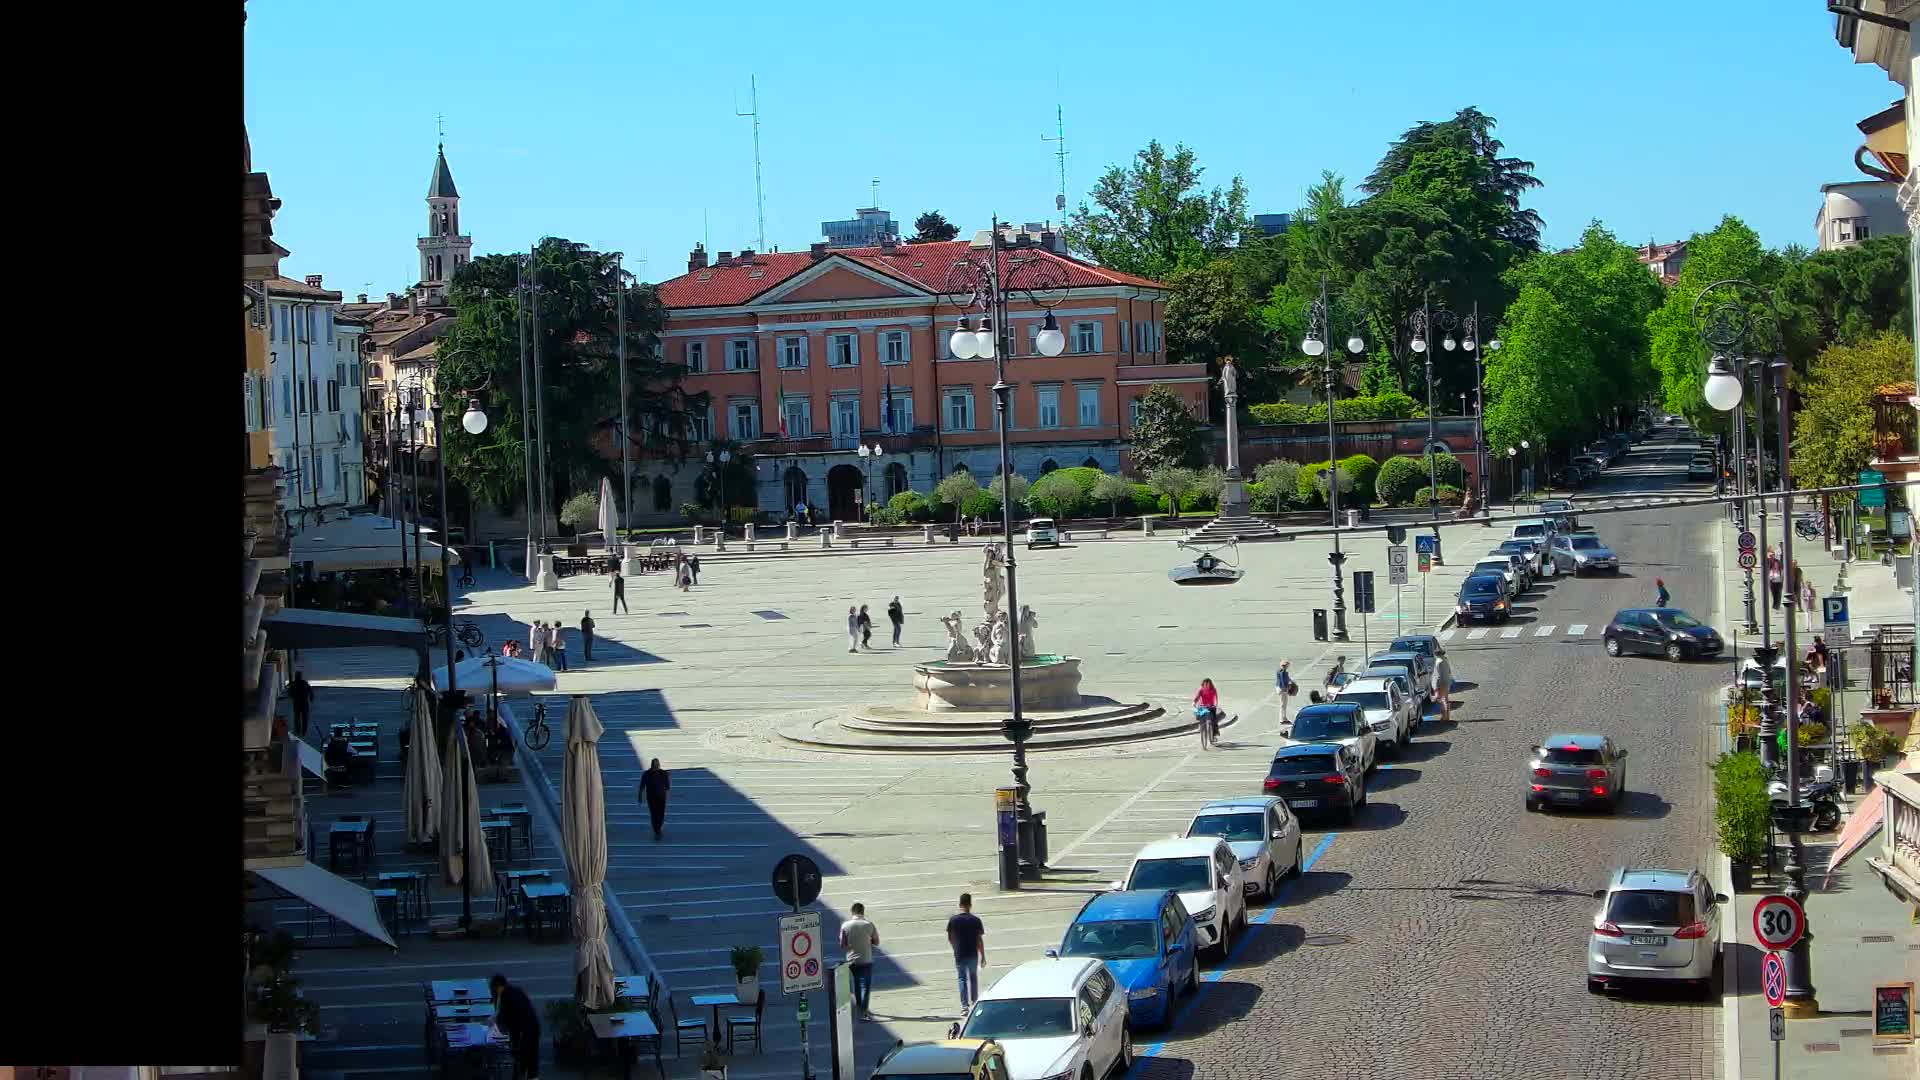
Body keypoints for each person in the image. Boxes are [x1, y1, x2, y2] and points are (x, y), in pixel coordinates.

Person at [489, 973, 542, 1080]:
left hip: (523, 1032)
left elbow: (504, 1018)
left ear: (497, 987)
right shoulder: (517, 990)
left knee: (520, 1063)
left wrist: (494, 1022)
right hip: (534, 1027)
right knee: (532, 1061)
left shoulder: (505, 995)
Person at [840, 902, 880, 1021]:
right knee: (865, 987)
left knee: (857, 983)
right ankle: (864, 1013)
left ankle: (859, 1006)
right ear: (863, 912)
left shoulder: (845, 926)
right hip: (866, 960)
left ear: (852, 912)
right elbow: (877, 941)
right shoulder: (869, 925)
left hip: (852, 961)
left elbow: (842, 944)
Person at [946, 893, 986, 1013]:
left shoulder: (953, 920)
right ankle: (974, 1002)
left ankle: (964, 1006)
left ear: (960, 905)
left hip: (959, 953)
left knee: (962, 979)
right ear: (970, 905)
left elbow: (950, 938)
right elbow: (979, 940)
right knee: (973, 978)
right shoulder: (976, 920)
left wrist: (955, 949)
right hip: (973, 953)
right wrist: (983, 956)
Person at [639, 758, 670, 840]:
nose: (656, 766)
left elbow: (667, 786)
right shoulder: (647, 774)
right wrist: (640, 796)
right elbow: (642, 786)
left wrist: (640, 796)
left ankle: (657, 828)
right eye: (655, 765)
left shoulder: (663, 773)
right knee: (654, 814)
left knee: (659, 814)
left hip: (660, 797)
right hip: (653, 797)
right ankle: (657, 830)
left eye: (656, 765)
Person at [1194, 678, 1221, 751]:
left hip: (1211, 707)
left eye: (1208, 684)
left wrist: (1215, 705)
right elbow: (1197, 698)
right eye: (1205, 684)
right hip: (1203, 707)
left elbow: (1216, 699)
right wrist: (1194, 702)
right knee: (1199, 715)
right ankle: (1200, 725)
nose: (1207, 685)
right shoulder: (1201, 690)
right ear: (1203, 684)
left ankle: (1214, 732)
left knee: (1214, 720)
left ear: (1210, 684)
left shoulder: (1213, 690)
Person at [288, 672, 315, 738]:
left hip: (297, 703)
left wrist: (293, 697)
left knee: (297, 717)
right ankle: (303, 731)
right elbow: (310, 691)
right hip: (304, 703)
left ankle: (298, 730)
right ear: (301, 676)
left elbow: (290, 693)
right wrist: (311, 698)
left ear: (295, 676)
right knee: (304, 717)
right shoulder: (304, 683)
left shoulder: (293, 683)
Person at [1275, 660, 1296, 728]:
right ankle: (1282, 719)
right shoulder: (1282, 671)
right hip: (1282, 689)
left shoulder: (1283, 671)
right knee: (1283, 704)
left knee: (1284, 704)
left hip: (1281, 688)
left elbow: (1287, 678)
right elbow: (1282, 680)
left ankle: (1284, 718)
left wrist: (1291, 681)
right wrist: (1285, 688)